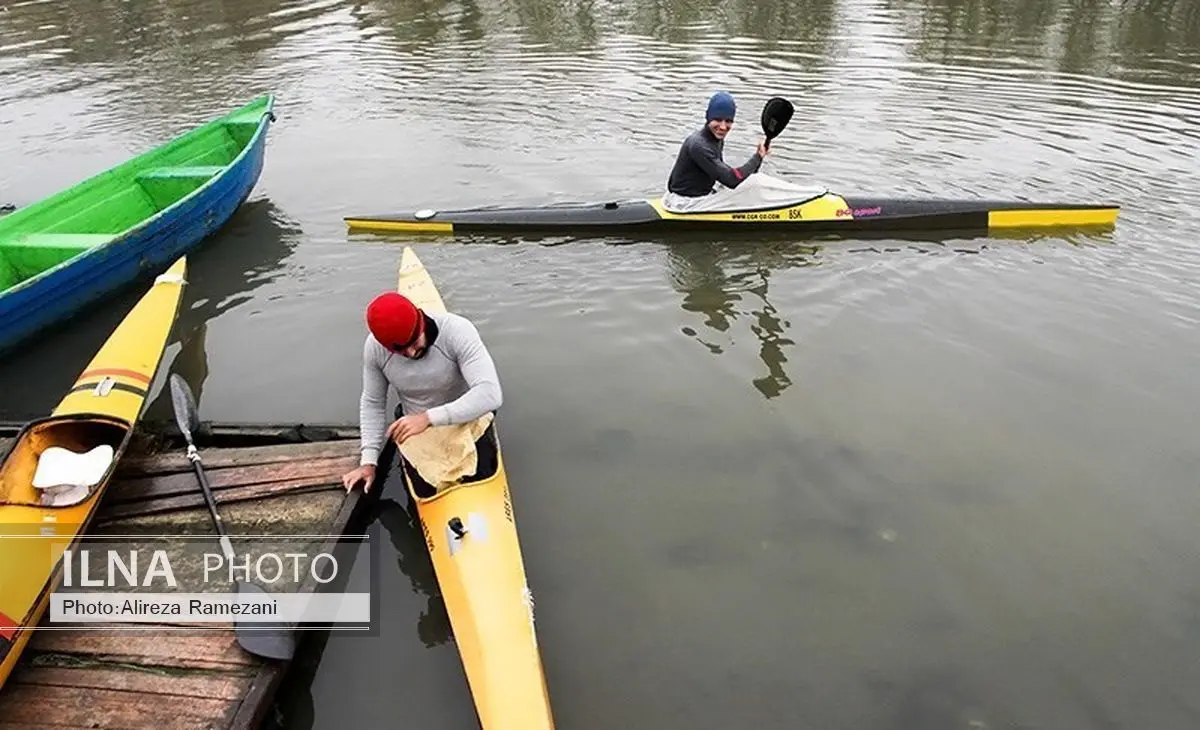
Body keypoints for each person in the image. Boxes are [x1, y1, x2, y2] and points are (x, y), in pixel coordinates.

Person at [341, 291, 503, 495]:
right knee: (427, 489)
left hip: (466, 420)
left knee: (477, 476)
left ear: (421, 321)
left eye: (413, 341)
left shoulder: (457, 330)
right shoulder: (374, 348)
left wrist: (428, 418)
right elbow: (373, 402)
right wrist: (368, 462)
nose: (410, 353)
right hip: (415, 430)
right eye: (400, 351)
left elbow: (490, 393)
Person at [666, 91, 770, 198]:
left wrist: (759, 157)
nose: (723, 127)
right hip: (685, 203)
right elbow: (732, 180)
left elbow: (731, 176)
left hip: (701, 195)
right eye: (718, 120)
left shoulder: (716, 138)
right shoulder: (699, 145)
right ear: (708, 118)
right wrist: (757, 157)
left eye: (728, 121)